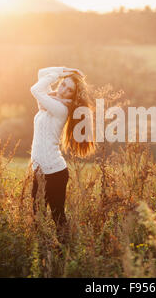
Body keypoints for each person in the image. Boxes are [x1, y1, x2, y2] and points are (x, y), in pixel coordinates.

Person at [30, 66, 95, 238]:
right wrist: (65, 70)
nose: (63, 89)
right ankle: (43, 255)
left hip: (54, 173)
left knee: (58, 217)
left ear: (73, 95)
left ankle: (65, 254)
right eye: (63, 84)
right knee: (37, 217)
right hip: (39, 171)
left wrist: (60, 75)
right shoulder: (50, 102)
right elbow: (41, 73)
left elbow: (35, 89)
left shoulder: (60, 109)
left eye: (69, 90)